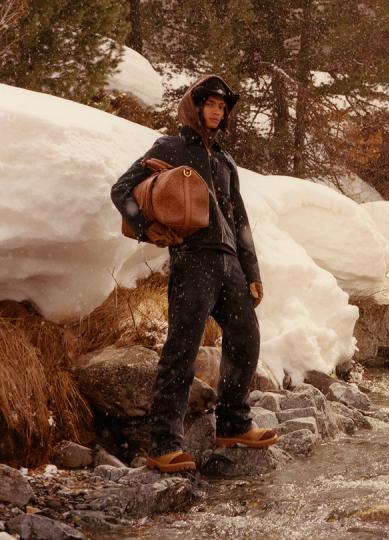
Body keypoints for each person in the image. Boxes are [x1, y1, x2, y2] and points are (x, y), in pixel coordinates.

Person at [111, 75, 278, 473]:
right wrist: (145, 229)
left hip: (229, 263)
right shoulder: (171, 147)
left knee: (245, 336)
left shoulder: (224, 160)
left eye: (223, 107)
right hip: (193, 260)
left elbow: (239, 219)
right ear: (195, 106)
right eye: (211, 104)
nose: (218, 111)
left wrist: (251, 270)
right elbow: (122, 189)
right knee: (181, 348)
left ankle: (234, 424)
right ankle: (164, 443)